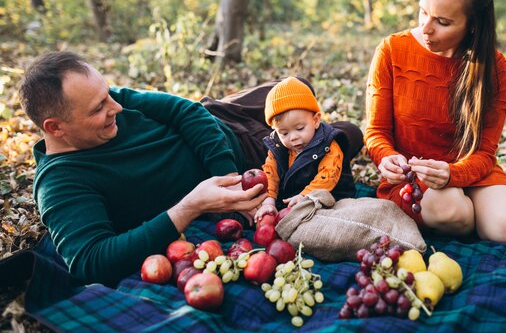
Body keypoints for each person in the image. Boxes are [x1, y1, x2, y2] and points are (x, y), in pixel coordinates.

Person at [18, 52, 362, 286]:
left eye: (109, 94)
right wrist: (190, 207)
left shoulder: (112, 101)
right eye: (99, 109)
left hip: (220, 119)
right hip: (256, 157)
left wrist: (226, 182)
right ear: (55, 127)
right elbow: (92, 262)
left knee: (296, 87)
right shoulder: (61, 183)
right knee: (346, 134)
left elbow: (187, 112)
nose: (117, 106)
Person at [364, 0, 506, 246]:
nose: (426, 28)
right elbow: (376, 132)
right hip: (415, 182)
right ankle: (483, 211)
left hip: (470, 172)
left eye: (442, 21)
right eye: (422, 12)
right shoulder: (391, 51)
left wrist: (454, 174)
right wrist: (385, 156)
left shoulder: (496, 70)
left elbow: (485, 154)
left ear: (473, 25)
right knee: (452, 211)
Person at [254, 77, 359, 221]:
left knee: (324, 220)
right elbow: (270, 174)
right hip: (293, 198)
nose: (293, 138)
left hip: (330, 195)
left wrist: (305, 196)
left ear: (315, 120)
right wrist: (269, 201)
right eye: (284, 133)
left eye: (299, 128)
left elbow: (328, 176)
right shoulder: (277, 146)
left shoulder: (328, 145)